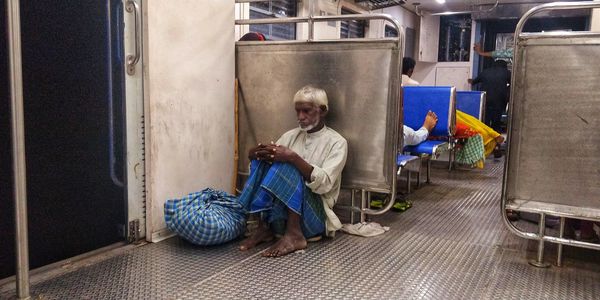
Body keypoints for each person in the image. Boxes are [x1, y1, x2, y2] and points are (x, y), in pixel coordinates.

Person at [238, 85, 348, 257]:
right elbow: (271, 162)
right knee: (264, 160)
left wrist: (293, 158)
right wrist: (255, 154)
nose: (300, 117)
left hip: (313, 219)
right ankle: (263, 227)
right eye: (297, 111)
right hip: (279, 217)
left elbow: (325, 184)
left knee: (288, 162)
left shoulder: (337, 142)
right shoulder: (290, 136)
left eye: (306, 111)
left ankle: (294, 234)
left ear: (323, 111)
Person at [468, 59, 511, 132]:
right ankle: (495, 137)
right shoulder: (506, 72)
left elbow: (473, 82)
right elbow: (513, 84)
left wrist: (468, 80)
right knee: (496, 120)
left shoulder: (485, 72)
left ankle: (486, 135)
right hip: (499, 99)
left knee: (485, 118)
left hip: (486, 99)